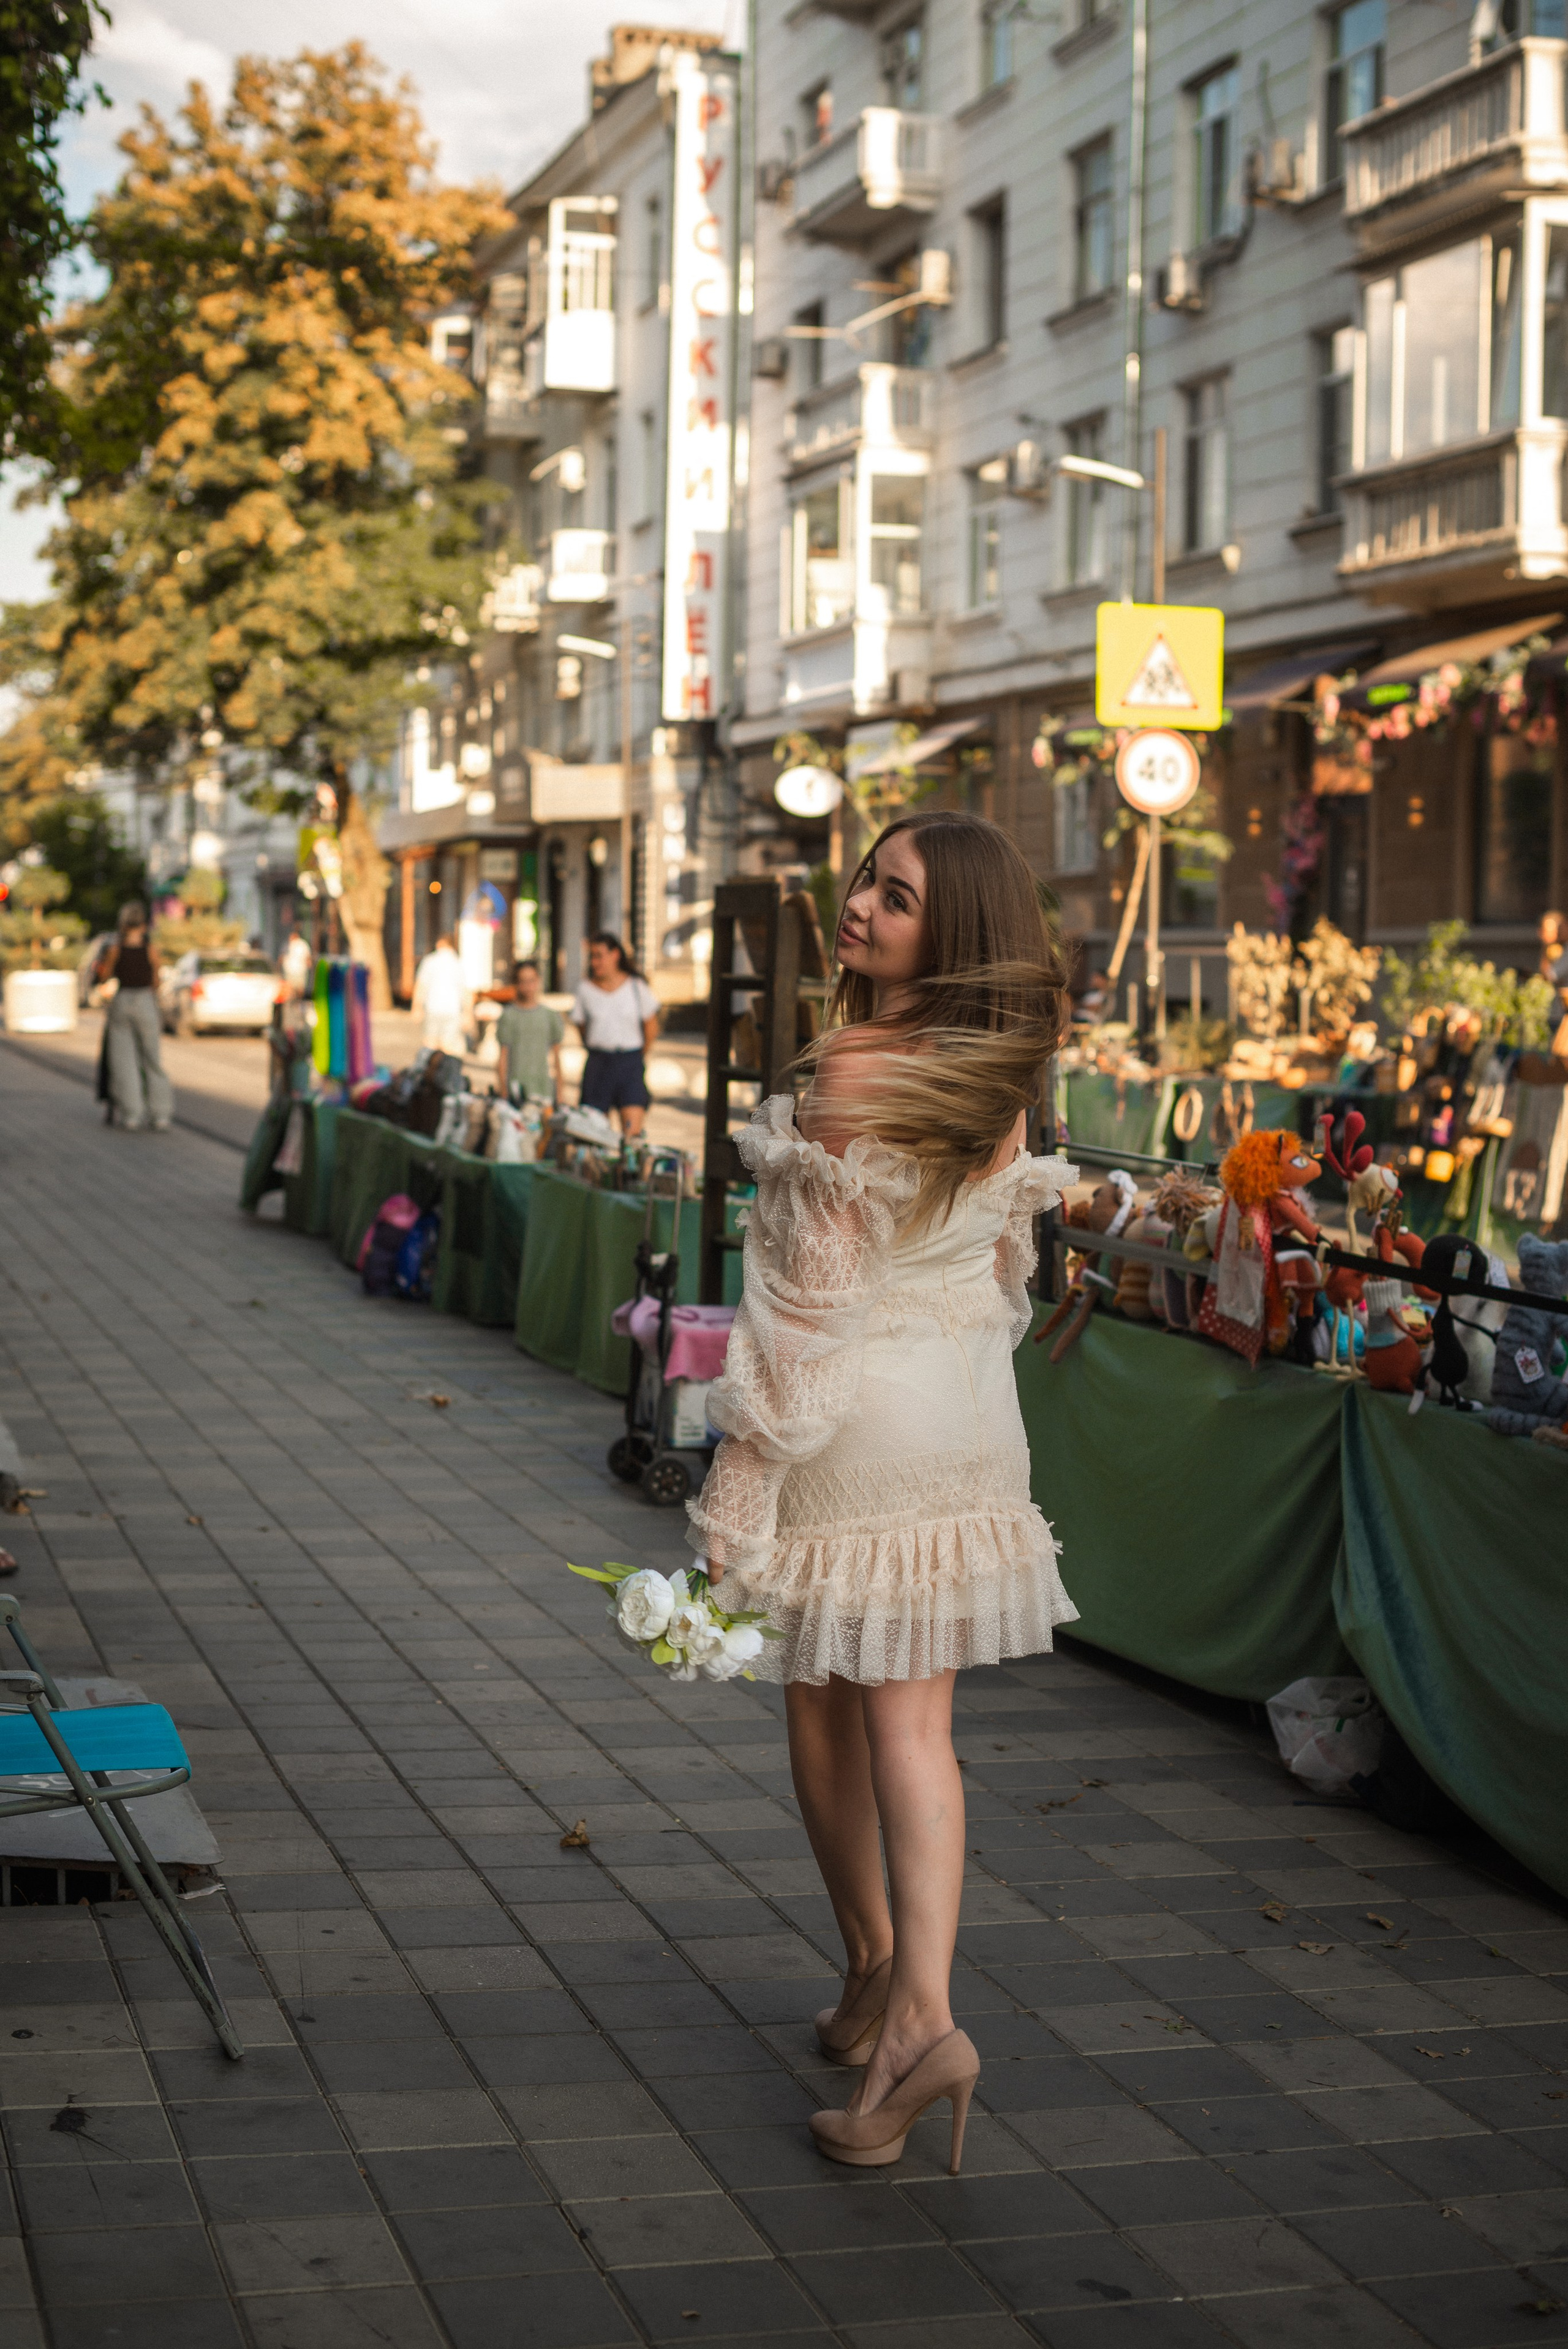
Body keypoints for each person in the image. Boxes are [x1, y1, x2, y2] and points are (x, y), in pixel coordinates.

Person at [687, 811, 1077, 2176]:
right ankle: (882, 1993)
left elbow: (801, 1320)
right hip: (967, 1422)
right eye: (865, 876)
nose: (857, 904)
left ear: (947, 936)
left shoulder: (850, 1066)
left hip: (858, 1422)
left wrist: (733, 1500)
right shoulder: (994, 1080)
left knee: (830, 1701)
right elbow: (997, 1278)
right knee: (912, 1727)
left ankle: (907, 2002)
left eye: (895, 898)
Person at [570, 932, 660, 1139]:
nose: (595, 962)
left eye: (599, 956)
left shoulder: (636, 986)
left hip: (629, 1062)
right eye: (592, 957)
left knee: (632, 1134)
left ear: (615, 955)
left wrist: (638, 1055)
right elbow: (581, 1026)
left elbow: (651, 1027)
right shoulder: (586, 989)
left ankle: (629, 1171)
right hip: (599, 1063)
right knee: (592, 1133)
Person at [100, 902, 175, 1132]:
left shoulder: (115, 949)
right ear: (143, 925)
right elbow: (156, 981)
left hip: (122, 1001)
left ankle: (132, 1114)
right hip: (145, 1002)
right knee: (152, 1058)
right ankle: (160, 1114)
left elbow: (104, 977)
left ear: (122, 925)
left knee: (123, 1060)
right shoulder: (151, 950)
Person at [495, 960, 564, 1104]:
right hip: (516, 1088)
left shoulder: (550, 1016)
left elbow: (557, 1058)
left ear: (538, 981)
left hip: (543, 1089)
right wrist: (503, 1091)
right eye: (523, 981)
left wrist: (559, 1093)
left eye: (531, 981)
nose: (528, 986)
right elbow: (503, 1057)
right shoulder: (509, 1016)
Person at [412, 932, 470, 1056]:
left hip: (432, 1007)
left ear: (439, 944)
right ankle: (444, 1073)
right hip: (452, 1009)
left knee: (429, 1044)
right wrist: (467, 1013)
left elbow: (421, 986)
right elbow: (466, 991)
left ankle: (429, 1072)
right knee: (448, 1046)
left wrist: (416, 1007)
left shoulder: (429, 961)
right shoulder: (459, 963)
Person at [280, 926, 313, 999]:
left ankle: (297, 1001)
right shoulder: (292, 944)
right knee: (295, 988)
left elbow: (308, 958)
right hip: (294, 970)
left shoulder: (299, 944)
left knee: (296, 989)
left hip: (295, 970)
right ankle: (296, 1001)